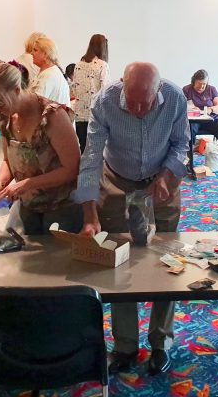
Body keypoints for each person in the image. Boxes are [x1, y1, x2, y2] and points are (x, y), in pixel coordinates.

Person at [76, 62, 189, 377]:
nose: (139, 110)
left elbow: (182, 145)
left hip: (162, 182)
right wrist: (89, 212)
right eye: (132, 101)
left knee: (168, 262)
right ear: (122, 86)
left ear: (158, 90)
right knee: (120, 263)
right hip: (117, 181)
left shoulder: (176, 98)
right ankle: (125, 345)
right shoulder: (104, 101)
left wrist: (167, 175)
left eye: (146, 103)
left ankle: (160, 343)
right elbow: (91, 156)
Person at [0, 63, 82, 234]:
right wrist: (0, 184)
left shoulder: (53, 116)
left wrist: (27, 184)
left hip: (61, 205)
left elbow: (72, 169)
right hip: (29, 205)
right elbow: (7, 160)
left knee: (54, 256)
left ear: (17, 90)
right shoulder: (5, 118)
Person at [72, 34, 109, 152]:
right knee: (95, 152)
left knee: (82, 150)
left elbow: (74, 89)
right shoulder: (102, 65)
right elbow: (105, 92)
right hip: (96, 115)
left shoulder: (78, 65)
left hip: (79, 115)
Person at [183, 69, 218, 143]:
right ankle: (190, 153)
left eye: (204, 84)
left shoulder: (211, 89)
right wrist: (192, 109)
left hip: (210, 119)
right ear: (194, 81)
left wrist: (211, 109)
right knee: (189, 131)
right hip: (194, 120)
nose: (202, 86)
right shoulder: (187, 89)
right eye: (199, 83)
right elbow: (182, 106)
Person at [29, 35, 71, 105]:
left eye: (35, 50)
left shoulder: (49, 75)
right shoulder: (49, 72)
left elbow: (35, 105)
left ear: (45, 54)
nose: (31, 53)